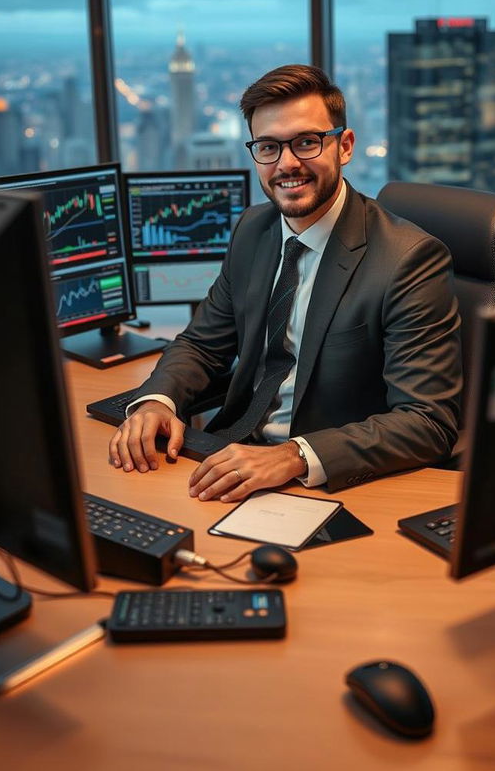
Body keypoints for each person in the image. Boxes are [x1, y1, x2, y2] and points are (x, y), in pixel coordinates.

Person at [109, 64, 462, 501]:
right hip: (230, 456)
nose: (287, 163)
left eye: (307, 142)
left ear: (344, 146)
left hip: (326, 482)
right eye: (269, 147)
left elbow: (428, 421)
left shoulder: (408, 259)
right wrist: (156, 401)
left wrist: (293, 456)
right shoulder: (253, 230)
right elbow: (202, 343)